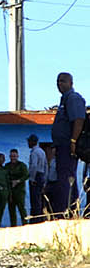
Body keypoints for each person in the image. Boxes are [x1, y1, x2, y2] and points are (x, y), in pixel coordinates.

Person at [49, 72, 85, 217]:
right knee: (67, 178)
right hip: (61, 146)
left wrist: (73, 141)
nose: (60, 84)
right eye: (58, 81)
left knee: (65, 178)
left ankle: (64, 213)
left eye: (63, 81)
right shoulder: (63, 100)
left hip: (67, 146)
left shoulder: (73, 98)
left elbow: (79, 120)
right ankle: (71, 211)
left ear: (71, 83)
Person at [27, 134, 48, 222]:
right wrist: (45, 179)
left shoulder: (34, 152)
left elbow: (34, 166)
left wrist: (32, 178)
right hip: (41, 176)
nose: (28, 143)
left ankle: (35, 219)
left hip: (36, 176)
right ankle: (40, 218)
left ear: (32, 142)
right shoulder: (42, 151)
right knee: (40, 199)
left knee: (35, 199)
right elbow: (46, 166)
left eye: (29, 141)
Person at [6, 148, 29, 226]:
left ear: (18, 156)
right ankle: (13, 226)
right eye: (12, 156)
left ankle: (25, 224)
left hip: (20, 191)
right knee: (11, 209)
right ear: (9, 156)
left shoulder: (22, 165)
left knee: (22, 209)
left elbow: (26, 175)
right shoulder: (7, 166)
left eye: (14, 156)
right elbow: (5, 176)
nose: (13, 158)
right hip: (10, 191)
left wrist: (18, 181)